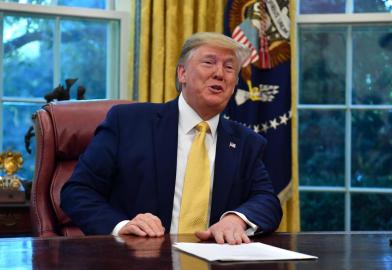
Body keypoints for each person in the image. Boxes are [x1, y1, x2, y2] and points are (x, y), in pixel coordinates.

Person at [60, 32, 282, 245]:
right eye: (209, 62)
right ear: (182, 74)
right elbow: (77, 191)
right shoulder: (128, 122)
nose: (219, 74)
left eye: (229, 67)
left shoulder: (246, 142)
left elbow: (267, 201)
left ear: (234, 84)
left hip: (213, 260)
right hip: (139, 259)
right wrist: (121, 226)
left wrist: (237, 219)